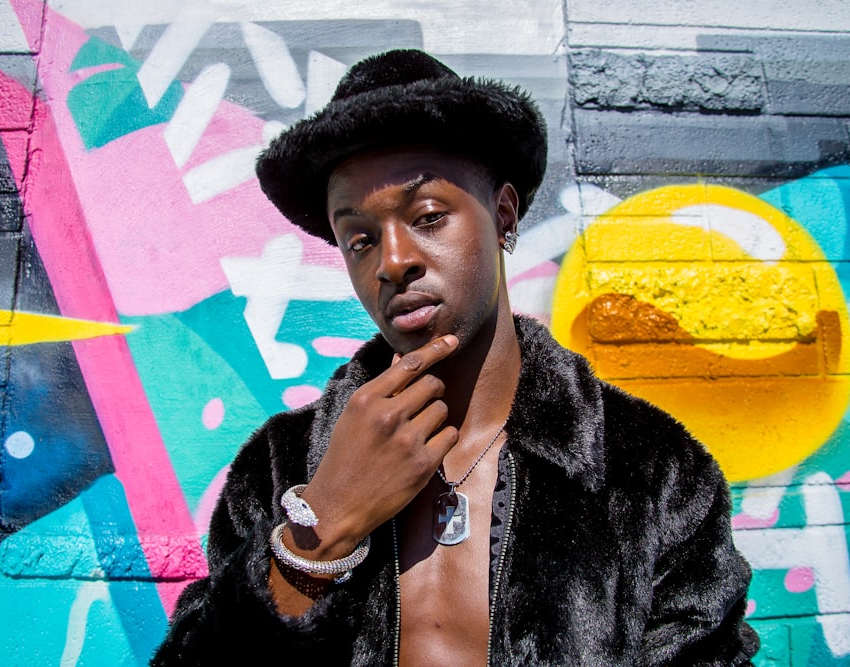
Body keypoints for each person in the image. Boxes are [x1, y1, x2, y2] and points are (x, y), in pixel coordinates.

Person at [151, 49, 760, 666]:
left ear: (502, 215)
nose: (392, 261)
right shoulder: (281, 469)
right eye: (359, 239)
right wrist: (323, 527)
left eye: (428, 216)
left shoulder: (650, 469)